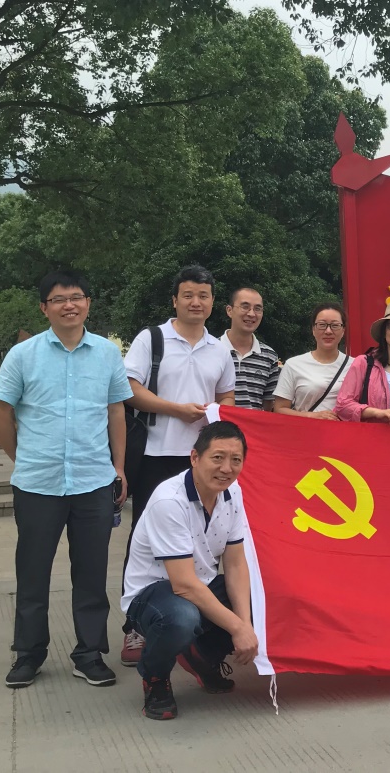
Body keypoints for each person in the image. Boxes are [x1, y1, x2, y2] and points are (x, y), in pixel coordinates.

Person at [0, 271, 133, 689]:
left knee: (91, 573)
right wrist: (23, 458)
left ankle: (89, 654)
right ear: (44, 308)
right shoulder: (23, 355)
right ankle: (28, 654)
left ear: (88, 303)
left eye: (77, 297)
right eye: (58, 299)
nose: (69, 305)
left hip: (93, 481)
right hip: (38, 484)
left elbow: (116, 411)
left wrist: (119, 466)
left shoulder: (107, 353)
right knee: (33, 572)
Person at [121, 265, 236, 666]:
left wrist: (218, 421)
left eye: (203, 295)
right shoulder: (151, 339)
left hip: (204, 460)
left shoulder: (219, 349)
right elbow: (129, 389)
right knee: (144, 536)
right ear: (175, 300)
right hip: (156, 453)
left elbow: (227, 396)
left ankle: (192, 615)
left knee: (204, 536)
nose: (195, 302)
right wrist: (175, 409)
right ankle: (136, 627)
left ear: (212, 302)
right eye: (188, 295)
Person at [121, 421, 260, 720]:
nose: (227, 468)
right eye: (218, 457)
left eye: (236, 460)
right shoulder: (169, 501)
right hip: (153, 595)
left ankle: (202, 657)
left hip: (200, 585)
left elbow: (235, 563)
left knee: (263, 597)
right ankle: (156, 677)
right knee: (181, 618)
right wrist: (238, 628)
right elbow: (183, 584)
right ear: (195, 457)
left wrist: (246, 623)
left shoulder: (232, 492)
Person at [272, 302, 351, 419]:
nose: (328, 331)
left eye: (335, 325)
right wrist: (312, 416)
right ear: (313, 329)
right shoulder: (294, 365)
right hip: (306, 429)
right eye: (322, 325)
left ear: (343, 330)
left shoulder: (356, 365)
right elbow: (279, 409)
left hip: (344, 430)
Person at [221, 286, 281, 411]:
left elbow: (268, 405)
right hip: (215, 423)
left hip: (252, 423)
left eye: (257, 309)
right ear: (229, 310)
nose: (251, 314)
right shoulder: (211, 350)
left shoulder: (269, 356)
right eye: (245, 307)